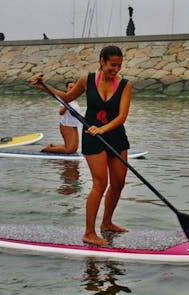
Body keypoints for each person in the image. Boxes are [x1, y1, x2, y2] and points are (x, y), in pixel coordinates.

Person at [31, 45, 132, 246]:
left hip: (115, 135)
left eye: (119, 65)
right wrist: (45, 87)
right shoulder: (87, 80)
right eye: (113, 65)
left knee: (119, 183)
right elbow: (67, 98)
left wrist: (103, 129)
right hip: (92, 137)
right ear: (102, 61)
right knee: (100, 183)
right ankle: (89, 232)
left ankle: (107, 223)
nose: (116, 69)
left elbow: (122, 116)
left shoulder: (125, 85)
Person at [41, 81, 83, 154]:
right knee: (69, 150)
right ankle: (47, 149)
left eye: (74, 87)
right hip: (66, 125)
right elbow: (61, 112)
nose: (72, 89)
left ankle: (53, 146)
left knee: (74, 149)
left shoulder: (74, 100)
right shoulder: (64, 99)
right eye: (70, 87)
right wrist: (66, 105)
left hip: (74, 125)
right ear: (66, 89)